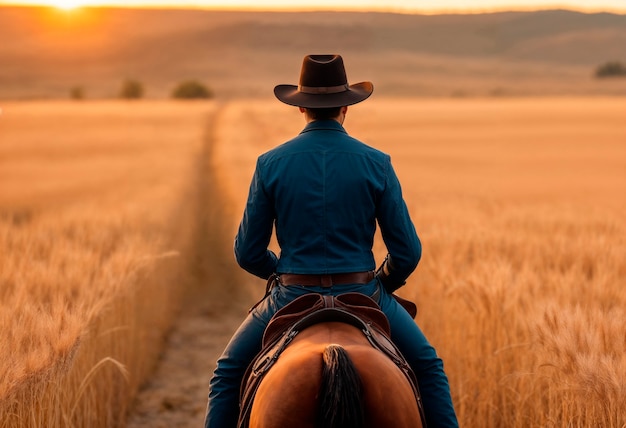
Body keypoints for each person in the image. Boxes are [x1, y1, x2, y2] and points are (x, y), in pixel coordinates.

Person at [204, 54, 459, 428]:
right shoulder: (376, 162)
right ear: (346, 106)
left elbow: (247, 252)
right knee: (429, 368)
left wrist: (280, 273)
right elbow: (408, 252)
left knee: (227, 374)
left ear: (301, 107)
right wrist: (381, 284)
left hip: (290, 293)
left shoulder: (270, 163)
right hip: (365, 292)